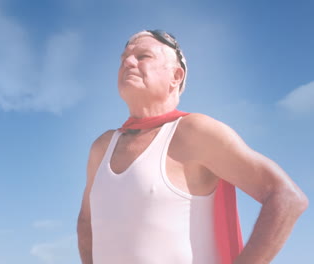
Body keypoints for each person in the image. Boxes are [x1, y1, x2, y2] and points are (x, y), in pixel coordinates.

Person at [76, 29, 309, 264]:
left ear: (176, 76)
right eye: (123, 58)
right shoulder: (102, 146)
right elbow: (87, 225)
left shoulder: (193, 132)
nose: (127, 62)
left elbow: (287, 198)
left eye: (143, 56)